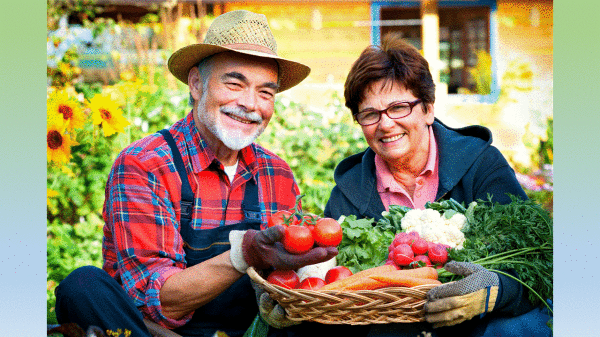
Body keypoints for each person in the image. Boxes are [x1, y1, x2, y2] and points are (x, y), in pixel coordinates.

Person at [54, 10, 338, 337]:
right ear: (196, 84)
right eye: (235, 83)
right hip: (155, 332)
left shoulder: (277, 174)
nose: (250, 104)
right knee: (82, 287)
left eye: (265, 92)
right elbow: (154, 303)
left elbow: (284, 289)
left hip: (247, 331)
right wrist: (245, 253)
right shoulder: (145, 164)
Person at [324, 35, 552, 337]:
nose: (386, 124)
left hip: (480, 324)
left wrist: (495, 290)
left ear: (428, 109)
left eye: (399, 107)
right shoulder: (348, 193)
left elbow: (536, 262)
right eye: (370, 114)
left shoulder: (481, 164)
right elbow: (330, 284)